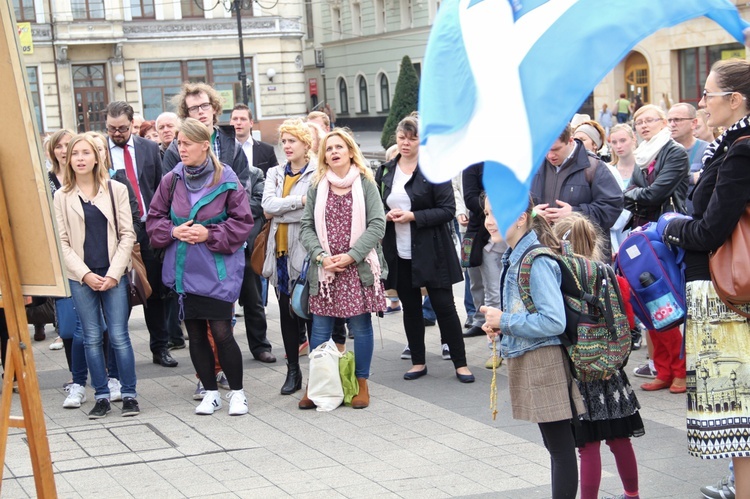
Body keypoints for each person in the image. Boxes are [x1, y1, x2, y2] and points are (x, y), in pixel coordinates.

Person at [661, 58, 750, 498]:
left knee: (738, 407)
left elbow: (709, 231)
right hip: (723, 291)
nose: (702, 102)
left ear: (734, 100)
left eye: (708, 94)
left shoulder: (742, 148)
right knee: (738, 411)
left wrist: (668, 227)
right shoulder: (731, 145)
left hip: (725, 296)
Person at [146, 118, 253, 416]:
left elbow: (243, 223)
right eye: (179, 143)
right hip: (184, 269)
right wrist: (173, 232)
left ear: (205, 145)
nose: (181, 149)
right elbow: (154, 220)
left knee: (221, 332)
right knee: (194, 334)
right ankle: (210, 392)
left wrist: (210, 233)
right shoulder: (172, 179)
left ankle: (237, 393)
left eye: (187, 144)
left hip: (217, 270)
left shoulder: (227, 178)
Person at [480, 195, 584, 499]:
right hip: (531, 358)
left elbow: (554, 321)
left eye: (496, 212)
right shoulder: (515, 255)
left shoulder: (534, 259)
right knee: (556, 447)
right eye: (486, 213)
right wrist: (500, 326)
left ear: (521, 217)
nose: (488, 220)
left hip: (544, 361)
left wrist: (506, 321)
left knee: (561, 449)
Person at [551, 213, 644, 499]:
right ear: (593, 242)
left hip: (578, 369)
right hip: (611, 370)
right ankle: (633, 495)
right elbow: (628, 323)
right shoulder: (611, 276)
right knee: (619, 440)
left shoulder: (560, 280)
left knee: (587, 446)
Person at [377, 115, 474, 384]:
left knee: (445, 307)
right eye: (401, 137)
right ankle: (418, 361)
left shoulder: (435, 169)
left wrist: (413, 217)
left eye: (412, 138)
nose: (406, 143)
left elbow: (447, 210)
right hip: (399, 250)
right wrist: (385, 215)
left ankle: (460, 363)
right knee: (410, 307)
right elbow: (378, 204)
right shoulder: (386, 170)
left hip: (432, 250)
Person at [299, 128, 387, 410]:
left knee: (360, 326)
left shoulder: (365, 183)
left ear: (350, 151)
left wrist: (351, 256)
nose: (334, 152)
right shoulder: (316, 185)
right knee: (321, 328)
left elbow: (377, 224)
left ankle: (361, 383)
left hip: (356, 268)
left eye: (339, 147)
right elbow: (306, 227)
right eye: (328, 148)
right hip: (325, 271)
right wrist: (321, 256)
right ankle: (316, 385)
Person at [54, 134, 139, 419]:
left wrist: (114, 274)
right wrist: (86, 274)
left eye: (85, 153)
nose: (79, 158)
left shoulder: (116, 189)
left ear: (97, 157)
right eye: (74, 153)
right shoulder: (61, 196)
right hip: (82, 276)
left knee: (118, 336)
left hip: (113, 273)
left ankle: (129, 394)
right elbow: (61, 243)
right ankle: (101, 396)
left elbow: (128, 234)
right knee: (91, 337)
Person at [106, 101, 179, 369]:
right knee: (116, 290)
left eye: (122, 128)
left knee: (154, 291)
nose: (117, 133)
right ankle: (113, 352)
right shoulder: (100, 150)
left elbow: (162, 186)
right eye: (111, 129)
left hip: (148, 229)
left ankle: (160, 347)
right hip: (113, 232)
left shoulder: (148, 148)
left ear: (131, 124)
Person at [623, 104, 689, 394]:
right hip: (641, 238)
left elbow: (655, 194)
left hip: (666, 237)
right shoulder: (642, 156)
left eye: (650, 120)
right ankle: (662, 369)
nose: (643, 125)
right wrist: (637, 196)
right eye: (639, 122)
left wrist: (636, 195)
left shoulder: (674, 152)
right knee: (648, 305)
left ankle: (680, 372)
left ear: (663, 123)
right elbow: (628, 196)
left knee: (667, 305)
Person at [260, 119, 315, 395]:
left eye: (292, 140)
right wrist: (298, 202)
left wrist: (281, 211)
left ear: (306, 144)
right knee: (287, 314)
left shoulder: (318, 172)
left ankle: (318, 374)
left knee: (311, 312)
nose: (286, 146)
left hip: (306, 254)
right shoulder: (275, 173)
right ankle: (293, 371)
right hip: (279, 254)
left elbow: (314, 212)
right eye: (284, 141)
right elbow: (267, 206)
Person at [531, 123, 624, 259]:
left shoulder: (593, 166)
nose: (550, 155)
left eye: (556, 149)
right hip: (543, 254)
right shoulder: (535, 165)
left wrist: (574, 213)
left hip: (583, 256)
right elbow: (516, 204)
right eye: (546, 150)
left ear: (570, 140)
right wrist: (533, 214)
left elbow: (612, 206)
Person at [230, 104, 277, 364]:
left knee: (254, 300)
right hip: (221, 244)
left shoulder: (256, 172)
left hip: (246, 243)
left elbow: (261, 202)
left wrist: (234, 207)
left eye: (242, 119)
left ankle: (260, 346)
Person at [668, 103, 709, 215]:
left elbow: (708, 181)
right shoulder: (663, 152)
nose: (672, 124)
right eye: (670, 120)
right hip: (668, 221)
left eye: (677, 120)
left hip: (697, 220)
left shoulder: (707, 150)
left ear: (694, 123)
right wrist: (691, 177)